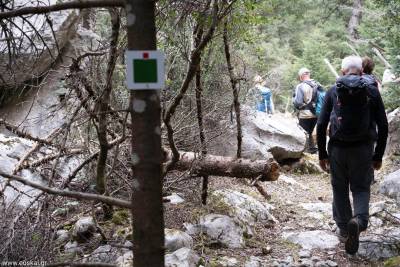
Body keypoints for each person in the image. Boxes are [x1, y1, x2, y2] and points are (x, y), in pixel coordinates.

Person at [317, 55, 388, 255]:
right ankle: (359, 220)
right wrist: (378, 155)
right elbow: (383, 125)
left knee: (339, 187)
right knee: (361, 188)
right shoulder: (372, 90)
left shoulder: (333, 91)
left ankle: (343, 228)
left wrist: (322, 153)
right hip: (363, 149)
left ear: (342, 71)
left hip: (338, 149)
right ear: (361, 71)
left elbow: (321, 124)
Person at [293, 67, 321, 153]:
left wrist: (294, 102)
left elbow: (298, 102)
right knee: (310, 132)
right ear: (309, 74)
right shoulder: (318, 84)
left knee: (304, 133)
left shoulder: (300, 86)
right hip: (316, 113)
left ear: (301, 76)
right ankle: (312, 149)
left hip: (305, 114)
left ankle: (305, 151)